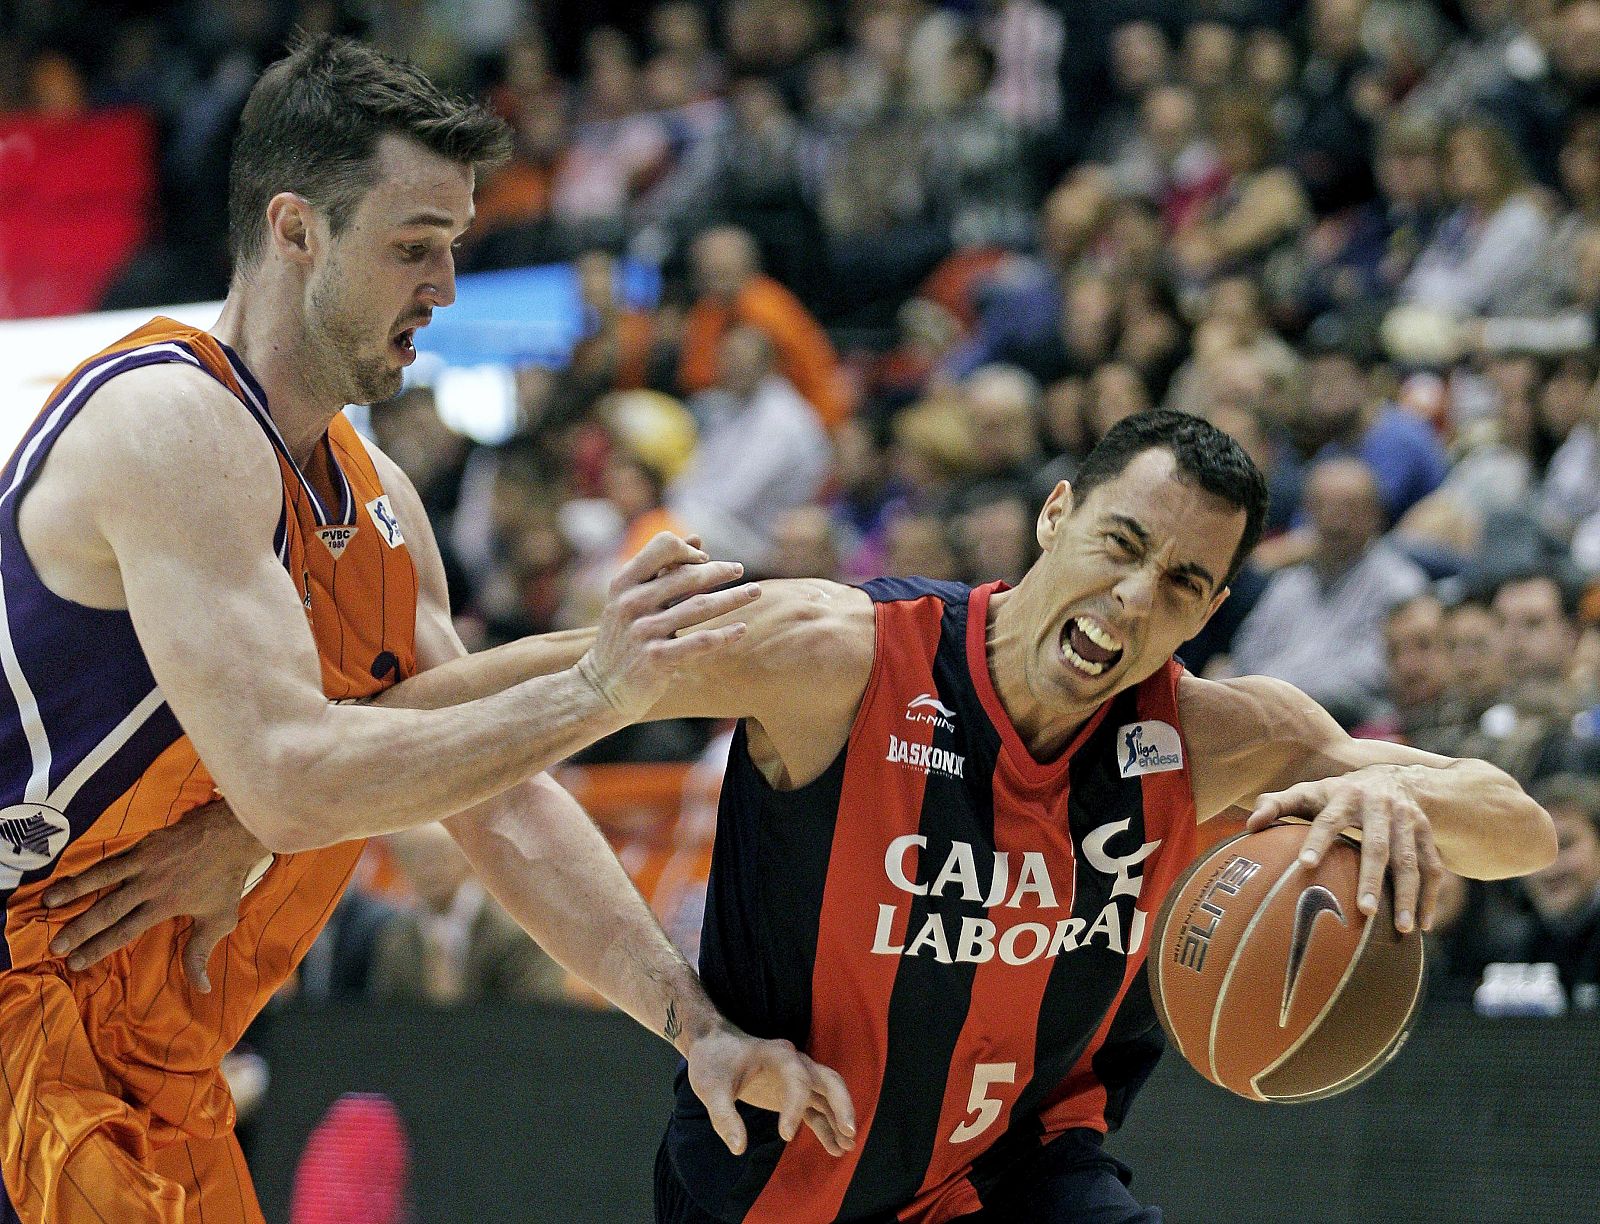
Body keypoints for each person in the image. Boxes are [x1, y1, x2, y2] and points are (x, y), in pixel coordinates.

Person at [95, 409, 1556, 1221]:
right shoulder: (839, 655)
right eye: (1120, 546)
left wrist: (1382, 796)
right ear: (1055, 517)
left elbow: (1523, 831)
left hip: (1018, 1177)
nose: (1133, 601)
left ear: (1213, 608)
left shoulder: (1223, 739)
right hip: (771, 1172)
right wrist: (261, 815)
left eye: (1181, 587)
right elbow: (532, 687)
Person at [0, 37, 853, 1224]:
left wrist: (692, 1026)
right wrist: (599, 684)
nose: (446, 284)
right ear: (295, 230)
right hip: (19, 1030)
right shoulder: (170, 420)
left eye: (452, 245)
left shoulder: (383, 501)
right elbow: (295, 779)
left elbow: (496, 790)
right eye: (413, 246)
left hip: (148, 1066)